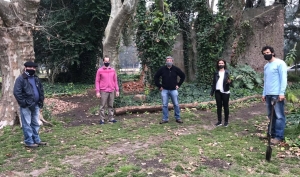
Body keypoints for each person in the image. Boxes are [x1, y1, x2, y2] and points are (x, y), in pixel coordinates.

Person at [13, 61, 47, 148]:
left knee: (35, 123)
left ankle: (36, 140)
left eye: (34, 68)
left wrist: (41, 99)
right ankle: (28, 141)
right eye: (30, 67)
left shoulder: (36, 78)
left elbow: (41, 90)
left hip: (36, 104)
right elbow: (17, 92)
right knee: (26, 124)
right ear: (26, 68)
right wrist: (23, 103)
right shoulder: (21, 79)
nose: (32, 69)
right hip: (26, 106)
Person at [261, 46, 287, 145]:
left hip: (277, 94)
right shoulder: (266, 66)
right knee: (270, 115)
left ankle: (278, 136)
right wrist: (264, 93)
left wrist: (281, 92)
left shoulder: (280, 63)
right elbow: (266, 81)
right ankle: (270, 134)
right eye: (264, 53)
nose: (266, 54)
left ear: (272, 52)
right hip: (268, 94)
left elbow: (283, 79)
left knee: (279, 116)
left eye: (267, 52)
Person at [154, 56, 186, 124]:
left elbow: (183, 76)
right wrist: (159, 86)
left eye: (170, 60)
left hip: (173, 90)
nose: (169, 61)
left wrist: (178, 85)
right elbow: (156, 77)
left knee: (176, 104)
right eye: (167, 60)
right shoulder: (162, 69)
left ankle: (178, 118)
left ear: (172, 61)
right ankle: (165, 118)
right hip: (164, 90)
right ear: (166, 61)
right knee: (165, 105)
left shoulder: (175, 69)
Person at [95, 56, 119, 124]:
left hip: (111, 90)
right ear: (103, 62)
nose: (107, 63)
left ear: (109, 61)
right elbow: (97, 81)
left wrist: (117, 90)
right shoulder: (100, 70)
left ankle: (111, 118)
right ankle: (102, 119)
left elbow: (115, 80)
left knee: (110, 105)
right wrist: (97, 91)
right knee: (102, 106)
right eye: (106, 61)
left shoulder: (113, 70)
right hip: (103, 90)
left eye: (108, 61)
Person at [210, 59, 231, 127]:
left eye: (222, 63)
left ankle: (226, 121)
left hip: (225, 91)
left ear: (224, 64)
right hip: (217, 92)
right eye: (219, 63)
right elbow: (214, 83)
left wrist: (230, 82)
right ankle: (219, 121)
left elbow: (231, 83)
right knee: (219, 107)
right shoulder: (216, 73)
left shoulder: (228, 72)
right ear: (218, 64)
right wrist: (212, 92)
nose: (221, 64)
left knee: (226, 107)